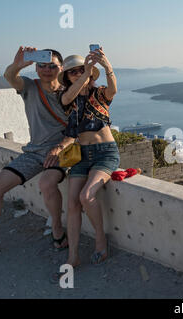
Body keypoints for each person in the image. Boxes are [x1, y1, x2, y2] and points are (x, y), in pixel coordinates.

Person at [44, 48, 119, 268]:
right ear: (66, 77)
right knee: (73, 203)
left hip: (105, 152)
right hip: (81, 156)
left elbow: (113, 89)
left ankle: (100, 238)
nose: (77, 73)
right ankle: (73, 257)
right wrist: (87, 72)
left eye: (80, 70)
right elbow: (68, 96)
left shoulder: (100, 94)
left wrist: (107, 67)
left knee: (87, 196)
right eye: (72, 72)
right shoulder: (66, 98)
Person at [0, 47, 69, 258]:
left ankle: (57, 229)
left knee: (46, 183)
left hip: (62, 152)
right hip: (34, 152)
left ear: (60, 68)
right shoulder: (29, 86)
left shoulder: (68, 92)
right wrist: (18, 64)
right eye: (42, 65)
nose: (47, 70)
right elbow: (9, 76)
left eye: (52, 65)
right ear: (36, 67)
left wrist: (60, 146)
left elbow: (78, 129)